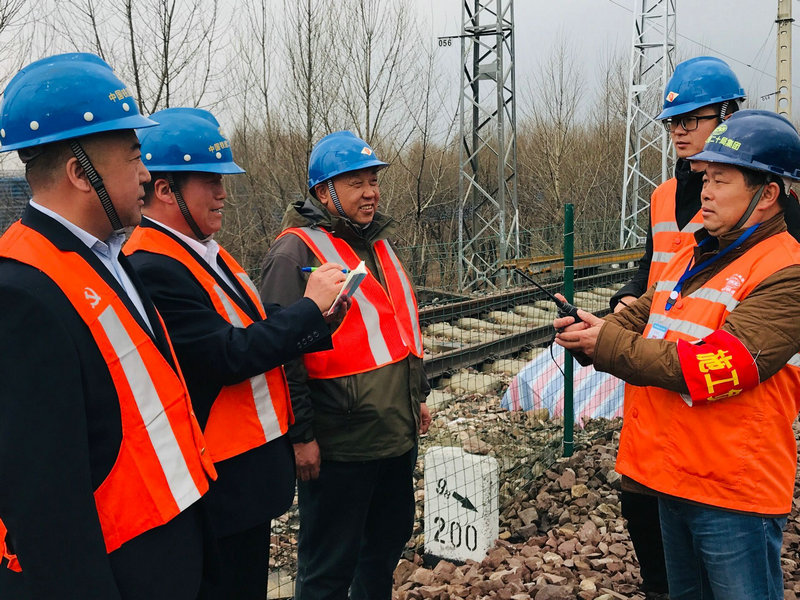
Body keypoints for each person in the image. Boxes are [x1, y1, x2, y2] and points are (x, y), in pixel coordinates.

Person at [556, 109, 800, 600]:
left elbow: (713, 368)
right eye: (705, 178)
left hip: (733, 492)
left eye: (721, 180)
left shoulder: (786, 272)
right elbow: (643, 312)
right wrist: (593, 330)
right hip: (673, 476)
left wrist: (606, 345)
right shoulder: (693, 253)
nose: (705, 191)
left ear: (767, 194)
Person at [0, 53, 216, 599]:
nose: (146, 173)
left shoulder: (106, 255)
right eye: (134, 156)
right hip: (121, 572)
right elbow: (45, 506)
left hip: (165, 549)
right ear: (81, 173)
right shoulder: (21, 293)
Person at [122, 107, 346, 599]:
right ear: (166, 190)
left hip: (245, 477)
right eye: (211, 181)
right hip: (218, 483)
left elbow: (252, 326)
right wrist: (307, 311)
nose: (223, 193)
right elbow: (225, 355)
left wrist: (318, 320)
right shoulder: (152, 265)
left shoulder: (204, 250)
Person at [260, 130, 431, 600]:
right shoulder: (293, 252)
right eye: (356, 182)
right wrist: (301, 436)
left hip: (393, 432)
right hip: (340, 444)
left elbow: (397, 326)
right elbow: (281, 354)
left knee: (383, 549)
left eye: (373, 180)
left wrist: (417, 395)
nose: (371, 192)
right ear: (323, 192)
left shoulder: (376, 243)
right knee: (328, 568)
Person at [610, 55, 746, 599]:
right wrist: (625, 302)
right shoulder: (664, 195)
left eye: (692, 119)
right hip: (654, 368)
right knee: (641, 497)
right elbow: (653, 268)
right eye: (673, 122)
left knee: (706, 514)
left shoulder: (759, 202)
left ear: (728, 116)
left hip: (713, 373)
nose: (679, 131)